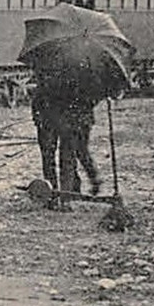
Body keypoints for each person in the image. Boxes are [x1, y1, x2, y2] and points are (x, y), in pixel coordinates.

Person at [31, 78, 101, 209]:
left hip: (66, 121)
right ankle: (58, 195)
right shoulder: (71, 73)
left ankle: (64, 196)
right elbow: (38, 97)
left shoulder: (56, 71)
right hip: (51, 120)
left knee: (64, 158)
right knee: (58, 159)